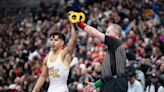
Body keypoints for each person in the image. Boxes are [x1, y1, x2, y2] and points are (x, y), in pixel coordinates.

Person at [74, 13, 128, 92]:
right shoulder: (113, 50)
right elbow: (109, 76)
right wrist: (95, 85)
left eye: (108, 32)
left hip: (116, 83)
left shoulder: (116, 42)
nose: (106, 34)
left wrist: (80, 24)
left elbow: (95, 33)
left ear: (116, 35)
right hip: (112, 82)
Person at [32, 23, 77, 92]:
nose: (53, 42)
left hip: (62, 89)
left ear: (62, 43)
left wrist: (72, 24)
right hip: (51, 89)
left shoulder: (64, 54)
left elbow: (73, 40)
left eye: (55, 40)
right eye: (51, 40)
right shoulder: (47, 58)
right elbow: (42, 76)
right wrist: (35, 90)